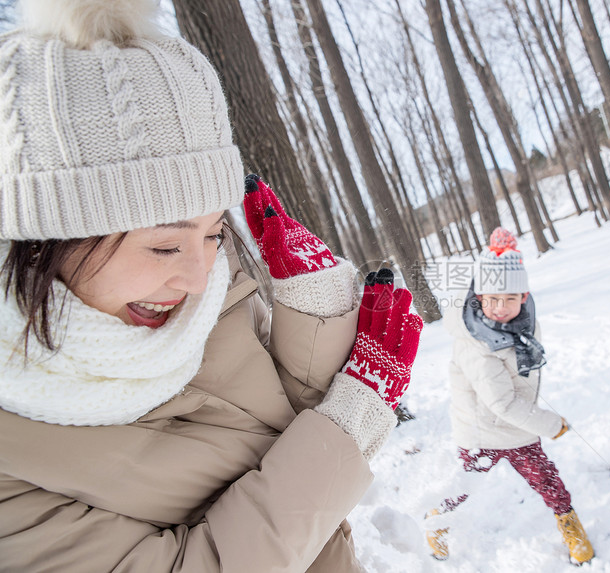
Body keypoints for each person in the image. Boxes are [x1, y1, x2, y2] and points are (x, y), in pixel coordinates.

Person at [0, 1, 422, 571]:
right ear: (37, 241)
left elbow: (262, 441)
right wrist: (349, 425)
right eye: (165, 245)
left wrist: (316, 323)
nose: (199, 277)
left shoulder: (205, 298)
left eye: (215, 234)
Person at [424, 228, 594, 565]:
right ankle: (437, 524)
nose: (500, 308)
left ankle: (571, 526)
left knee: (547, 479)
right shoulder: (477, 343)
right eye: (492, 300)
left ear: (524, 297)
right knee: (465, 486)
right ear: (479, 299)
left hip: (518, 427)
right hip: (482, 431)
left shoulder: (523, 323)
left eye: (510, 299)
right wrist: (551, 423)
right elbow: (501, 403)